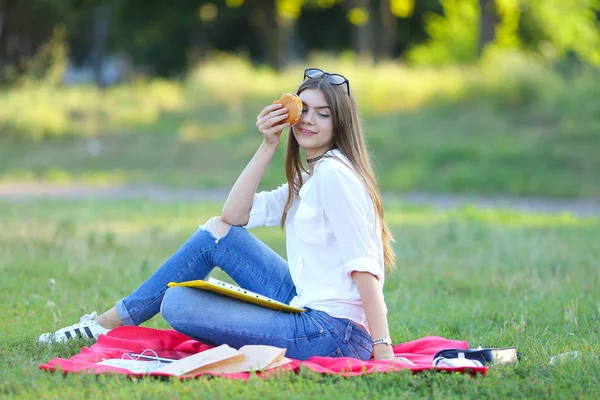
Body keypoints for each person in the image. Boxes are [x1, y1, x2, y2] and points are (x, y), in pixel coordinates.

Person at [39, 68, 397, 361]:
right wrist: (268, 143)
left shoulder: (335, 176)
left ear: (342, 123)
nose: (308, 120)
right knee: (219, 233)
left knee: (176, 301)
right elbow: (233, 215)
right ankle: (108, 322)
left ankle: (107, 323)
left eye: (324, 113)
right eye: (304, 110)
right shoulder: (313, 176)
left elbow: (364, 266)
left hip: (332, 332)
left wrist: (383, 348)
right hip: (309, 303)